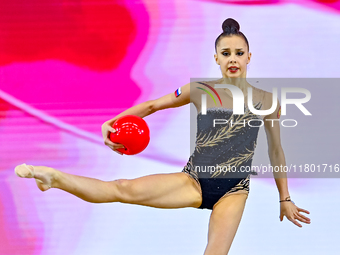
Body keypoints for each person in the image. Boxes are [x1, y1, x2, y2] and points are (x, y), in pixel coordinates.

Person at [14, 18, 311, 255]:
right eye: (225, 53)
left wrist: (284, 198)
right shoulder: (200, 91)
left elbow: (276, 151)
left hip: (234, 191)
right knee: (122, 188)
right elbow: (154, 104)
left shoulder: (267, 101)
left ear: (249, 57)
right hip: (194, 180)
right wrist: (114, 121)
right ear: (216, 59)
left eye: (238, 53)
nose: (232, 58)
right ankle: (53, 177)